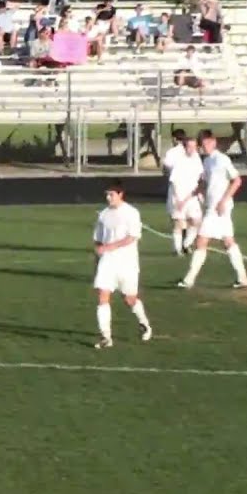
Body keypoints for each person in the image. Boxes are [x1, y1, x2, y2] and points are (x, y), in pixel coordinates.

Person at [178, 130, 247, 290]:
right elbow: (204, 184)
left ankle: (189, 279)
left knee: (201, 241)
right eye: (202, 145)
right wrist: (187, 198)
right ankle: (242, 278)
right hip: (213, 207)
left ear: (214, 142)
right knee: (228, 241)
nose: (205, 147)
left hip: (219, 208)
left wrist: (223, 201)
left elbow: (237, 181)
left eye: (207, 143)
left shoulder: (221, 159)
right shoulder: (207, 162)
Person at [91, 180, 152, 349]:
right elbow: (98, 240)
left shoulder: (131, 213)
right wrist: (97, 261)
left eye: (111, 194)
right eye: (107, 194)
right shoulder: (103, 214)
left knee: (129, 298)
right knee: (103, 297)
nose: (108, 197)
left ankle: (144, 322)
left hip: (127, 263)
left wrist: (109, 247)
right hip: (107, 263)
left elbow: (132, 237)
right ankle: (106, 336)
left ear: (120, 194)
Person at [162, 131, 203, 256]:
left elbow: (200, 176)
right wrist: (179, 199)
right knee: (179, 223)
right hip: (178, 195)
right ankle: (178, 249)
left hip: (192, 196)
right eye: (189, 146)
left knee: (196, 221)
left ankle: (186, 244)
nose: (192, 149)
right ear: (184, 147)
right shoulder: (179, 160)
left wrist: (200, 194)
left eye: (194, 146)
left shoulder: (196, 158)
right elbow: (173, 180)